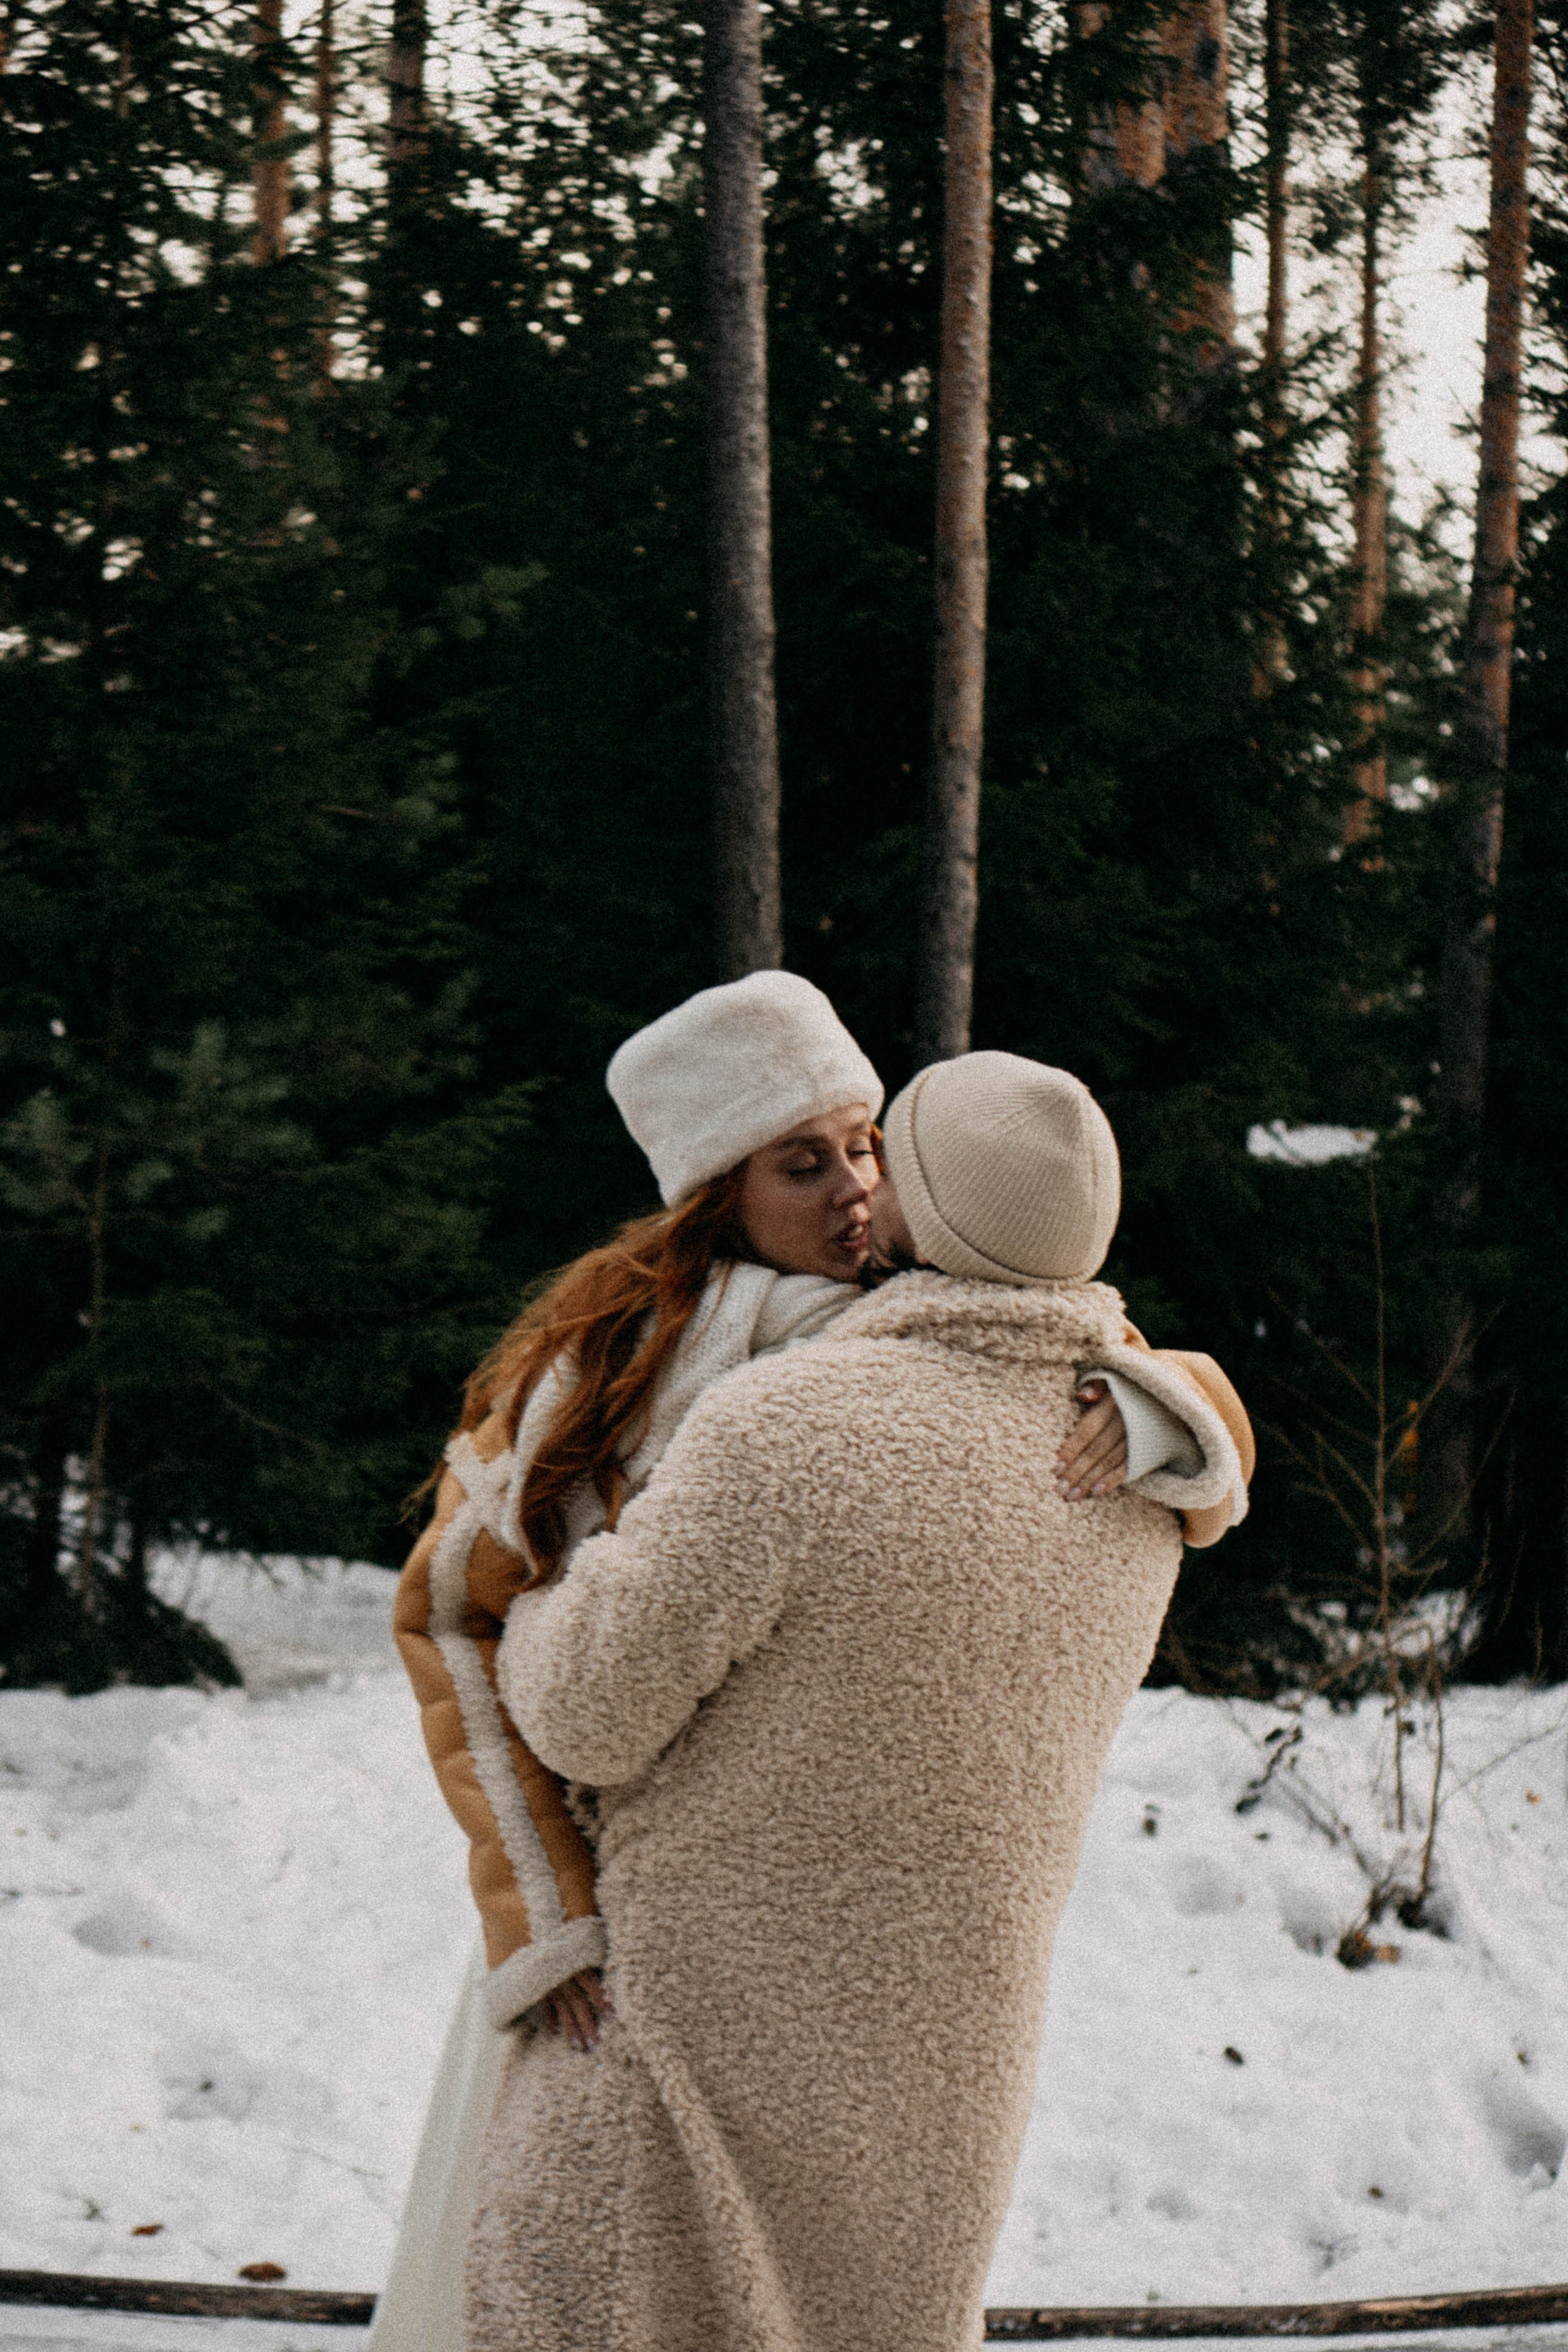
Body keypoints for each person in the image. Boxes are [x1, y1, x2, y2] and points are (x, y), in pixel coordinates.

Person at [381, 984, 1233, 2352]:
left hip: (837, 1980)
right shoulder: (600, 1374)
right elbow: (451, 1620)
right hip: (608, 1950)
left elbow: (1144, 1373)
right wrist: (547, 1915)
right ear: (714, 1194)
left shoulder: (929, 1314)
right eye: (801, 1163)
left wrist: (1167, 1411)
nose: (850, 1191)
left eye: (865, 1150)